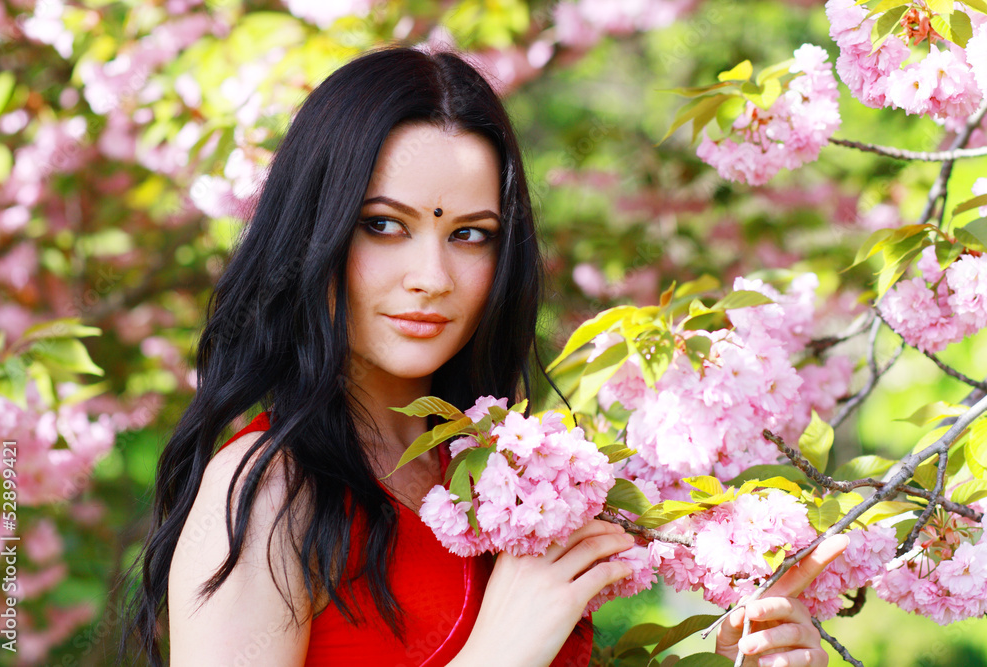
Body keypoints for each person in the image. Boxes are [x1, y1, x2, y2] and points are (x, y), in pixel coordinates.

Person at [123, 46, 846, 667]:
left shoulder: (517, 483)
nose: (431, 277)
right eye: (383, 226)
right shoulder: (266, 496)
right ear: (315, 231)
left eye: (470, 234)